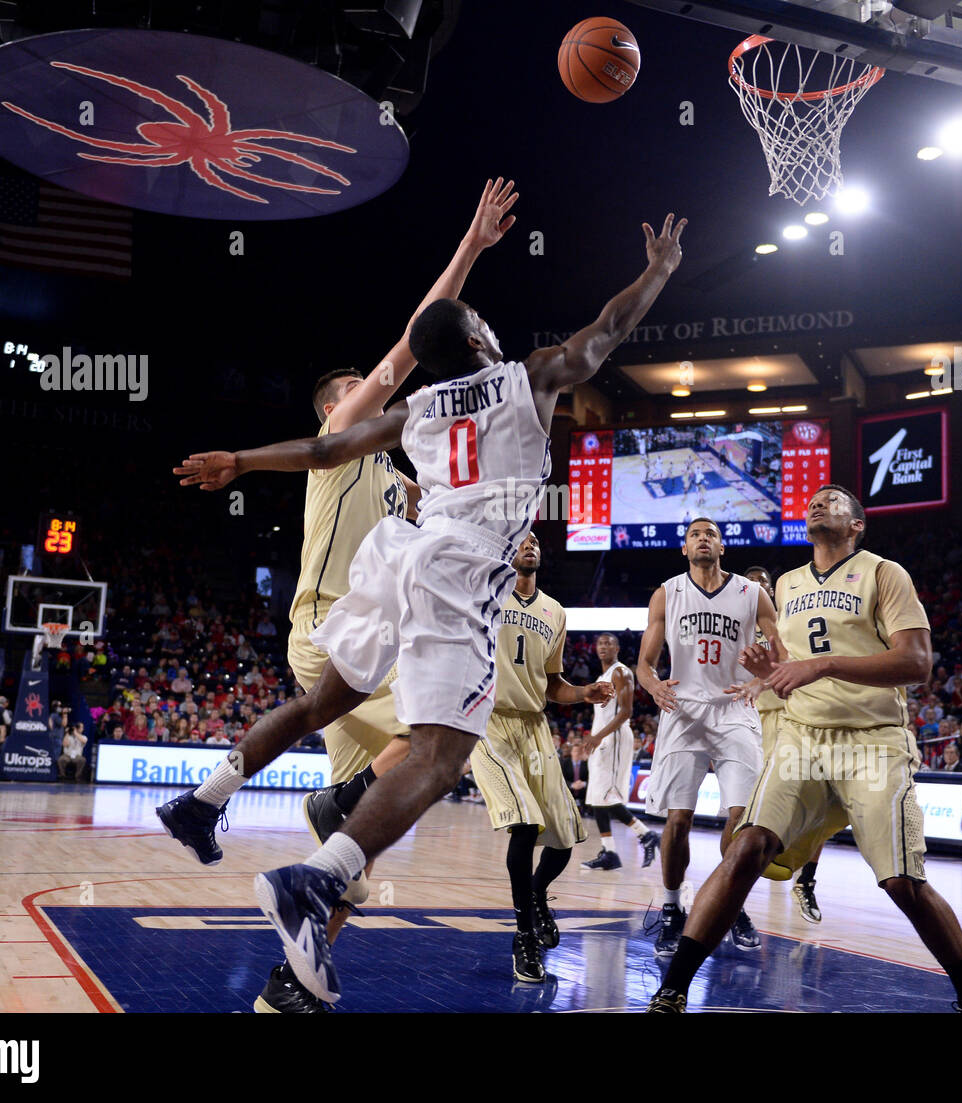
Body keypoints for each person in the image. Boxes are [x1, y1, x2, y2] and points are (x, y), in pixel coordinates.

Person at [166, 211, 687, 1004]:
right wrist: (658, 270)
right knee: (441, 756)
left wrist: (240, 460)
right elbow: (607, 331)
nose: (489, 322)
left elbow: (322, 451)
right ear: (478, 337)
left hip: (397, 558)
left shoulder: (421, 409)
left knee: (319, 704)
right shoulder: (531, 375)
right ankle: (318, 875)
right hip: (455, 570)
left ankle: (217, 805)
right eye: (481, 318)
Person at [160, 179, 519, 1014]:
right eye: (360, 387)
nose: (380, 388)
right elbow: (410, 345)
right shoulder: (342, 442)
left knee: (366, 840)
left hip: (377, 634)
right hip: (333, 625)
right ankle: (275, 806)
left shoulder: (402, 472)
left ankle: (293, 975)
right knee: (447, 746)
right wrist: (469, 247)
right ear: (335, 405)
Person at [647, 484, 962, 1014]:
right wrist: (770, 674)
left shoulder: (885, 573)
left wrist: (825, 664)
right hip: (801, 737)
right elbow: (790, 662)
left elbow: (918, 663)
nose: (817, 502)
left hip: (872, 742)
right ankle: (671, 991)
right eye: (813, 500)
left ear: (857, 523)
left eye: (832, 500)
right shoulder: (786, 584)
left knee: (901, 881)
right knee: (745, 848)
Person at [467, 533, 612, 982]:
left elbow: (554, 685)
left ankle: (535, 895)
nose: (530, 544)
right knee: (526, 825)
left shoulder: (555, 611)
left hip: (534, 727)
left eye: (536, 540)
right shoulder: (485, 593)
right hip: (488, 721)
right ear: (505, 550)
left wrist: (583, 693)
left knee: (566, 836)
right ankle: (524, 934)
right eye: (521, 540)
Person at [636, 518, 780, 957]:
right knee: (678, 820)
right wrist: (654, 684)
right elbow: (644, 663)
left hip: (736, 709)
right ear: (684, 549)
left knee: (742, 819)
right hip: (683, 710)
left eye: (710, 534)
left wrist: (759, 684)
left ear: (722, 546)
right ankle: (672, 906)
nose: (702, 538)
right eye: (695, 534)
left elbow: (781, 656)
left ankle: (729, 903)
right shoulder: (667, 592)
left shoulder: (753, 593)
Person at [745, 564, 824, 923]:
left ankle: (806, 881)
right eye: (750, 584)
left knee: (818, 804)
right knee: (743, 816)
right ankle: (736, 901)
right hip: (751, 725)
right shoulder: (736, 631)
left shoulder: (792, 620)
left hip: (794, 718)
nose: (758, 587)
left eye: (763, 582)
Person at [581, 633, 660, 870]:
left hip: (614, 738)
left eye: (608, 643)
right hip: (603, 738)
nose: (603, 646)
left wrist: (599, 735)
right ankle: (610, 852)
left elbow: (626, 712)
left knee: (608, 797)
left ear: (617, 648)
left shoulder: (621, 672)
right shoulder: (602, 676)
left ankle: (646, 835)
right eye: (600, 643)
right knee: (596, 798)